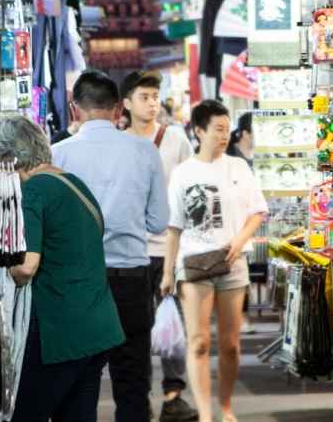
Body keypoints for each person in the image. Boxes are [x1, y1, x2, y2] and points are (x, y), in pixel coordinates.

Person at [51, 70, 169, 422]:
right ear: (119, 109)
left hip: (75, 282)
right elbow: (159, 221)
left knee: (75, 379)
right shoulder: (145, 152)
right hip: (130, 277)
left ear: (75, 109)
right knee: (132, 379)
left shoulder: (57, 155)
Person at [0, 113, 123, 422]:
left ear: (10, 159)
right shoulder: (74, 184)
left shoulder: (34, 191)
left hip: (57, 333)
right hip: (96, 327)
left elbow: (26, 266)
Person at [160, 100, 268, 422]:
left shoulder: (238, 167)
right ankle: (206, 413)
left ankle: (226, 406)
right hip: (193, 264)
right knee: (198, 341)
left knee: (231, 344)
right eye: (218, 129)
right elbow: (174, 227)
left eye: (227, 129)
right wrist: (167, 272)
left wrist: (239, 240)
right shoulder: (182, 173)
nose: (225, 135)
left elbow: (257, 212)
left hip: (233, 263)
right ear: (199, 131)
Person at [119, 71, 196, 422]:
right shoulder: (118, 143)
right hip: (130, 250)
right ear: (126, 103)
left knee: (172, 326)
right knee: (134, 328)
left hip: (170, 248)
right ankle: (139, 397)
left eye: (154, 96)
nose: (152, 103)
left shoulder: (176, 139)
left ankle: (174, 395)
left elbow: (190, 190)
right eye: (144, 97)